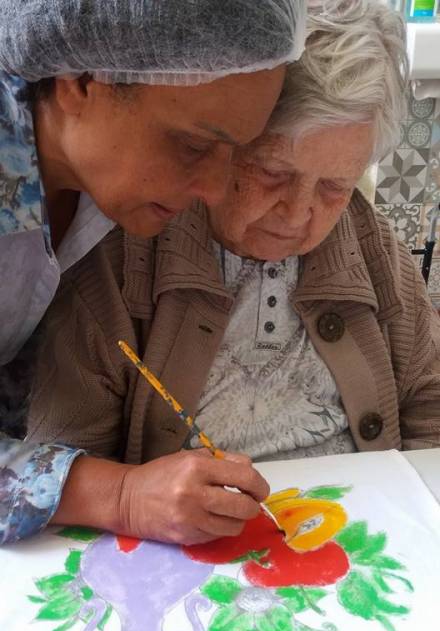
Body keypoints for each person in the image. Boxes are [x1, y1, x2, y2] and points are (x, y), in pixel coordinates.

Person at [25, 0, 440, 547]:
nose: (298, 215)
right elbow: (60, 459)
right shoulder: (124, 246)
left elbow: (429, 400)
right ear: (225, 137)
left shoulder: (367, 242)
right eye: (270, 172)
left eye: (335, 187)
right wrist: (130, 496)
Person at [0, 0, 306, 546]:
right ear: (80, 80)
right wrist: (120, 496)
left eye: (234, 151)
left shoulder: (100, 183)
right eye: (192, 144)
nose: (214, 191)